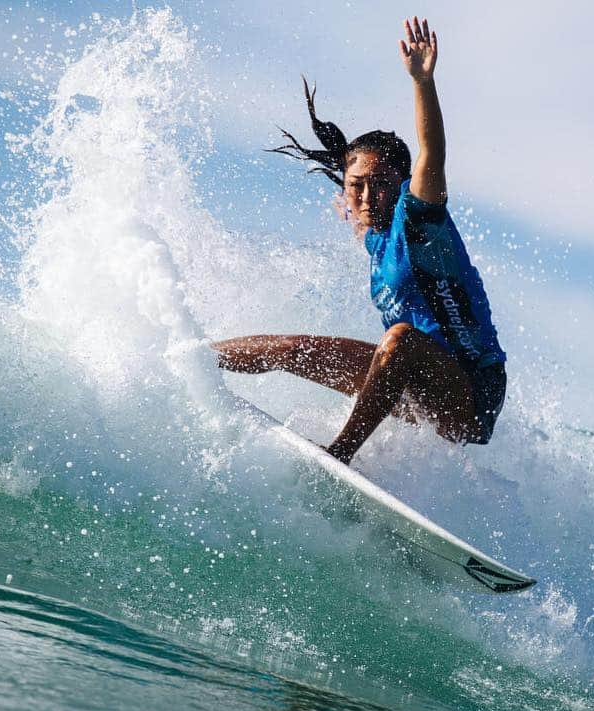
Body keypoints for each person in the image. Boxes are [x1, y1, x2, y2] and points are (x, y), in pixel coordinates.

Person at [212, 17, 506, 465]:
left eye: (382, 183)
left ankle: (340, 453)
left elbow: (433, 153)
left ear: (404, 182)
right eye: (356, 185)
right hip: (410, 383)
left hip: (470, 396)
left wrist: (422, 82)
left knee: (400, 339)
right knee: (292, 349)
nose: (368, 195)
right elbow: (361, 212)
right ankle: (193, 357)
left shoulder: (420, 219)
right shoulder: (374, 234)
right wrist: (356, 213)